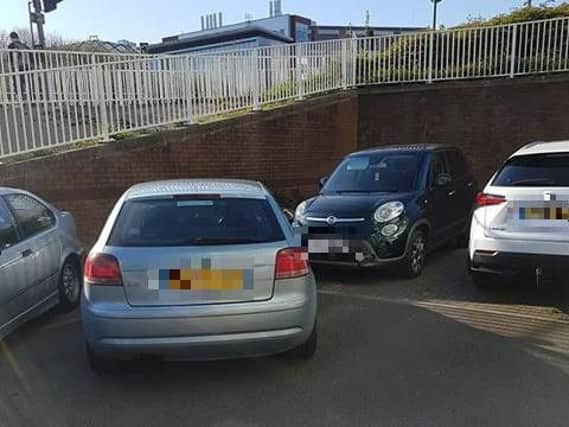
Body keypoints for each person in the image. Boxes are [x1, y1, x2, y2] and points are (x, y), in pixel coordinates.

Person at [6, 32, 32, 98]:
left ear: (11, 38)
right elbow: (30, 54)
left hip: (17, 67)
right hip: (26, 66)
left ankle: (20, 98)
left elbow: (9, 57)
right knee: (28, 83)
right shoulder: (24, 46)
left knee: (17, 84)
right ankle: (31, 98)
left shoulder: (11, 46)